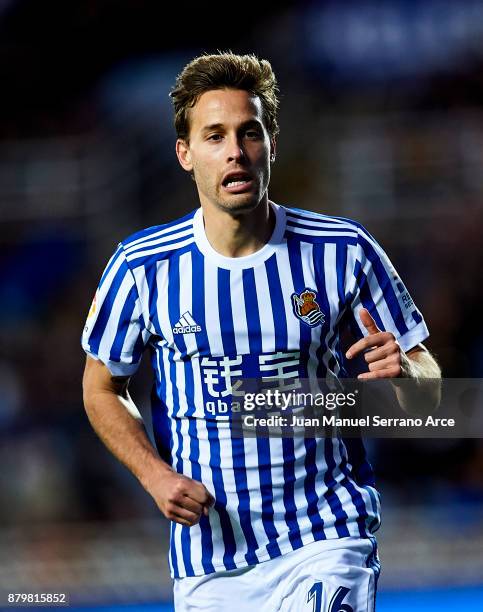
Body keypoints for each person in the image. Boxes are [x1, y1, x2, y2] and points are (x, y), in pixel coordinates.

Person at [81, 52, 441, 611]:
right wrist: (153, 474)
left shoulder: (343, 251)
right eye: (214, 135)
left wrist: (406, 373)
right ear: (185, 154)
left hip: (326, 534)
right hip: (211, 559)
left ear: (270, 142)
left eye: (249, 133)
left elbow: (429, 385)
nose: (234, 151)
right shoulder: (142, 267)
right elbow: (101, 385)